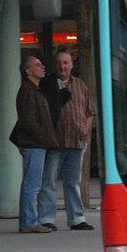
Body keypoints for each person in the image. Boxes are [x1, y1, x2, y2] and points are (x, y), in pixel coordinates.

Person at [39, 50, 97, 231]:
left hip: (77, 142)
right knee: (48, 182)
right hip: (54, 142)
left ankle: (77, 219)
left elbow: (90, 112)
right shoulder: (46, 84)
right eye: (58, 63)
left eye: (65, 63)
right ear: (54, 66)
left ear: (71, 65)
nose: (62, 66)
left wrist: (85, 132)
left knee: (73, 182)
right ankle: (46, 219)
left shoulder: (81, 85)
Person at [10, 55, 58, 233]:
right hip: (34, 144)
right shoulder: (29, 92)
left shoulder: (33, 90)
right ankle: (29, 222)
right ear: (28, 71)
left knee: (33, 184)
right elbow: (28, 121)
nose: (43, 67)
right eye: (38, 65)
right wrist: (42, 137)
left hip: (35, 142)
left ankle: (30, 220)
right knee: (32, 184)